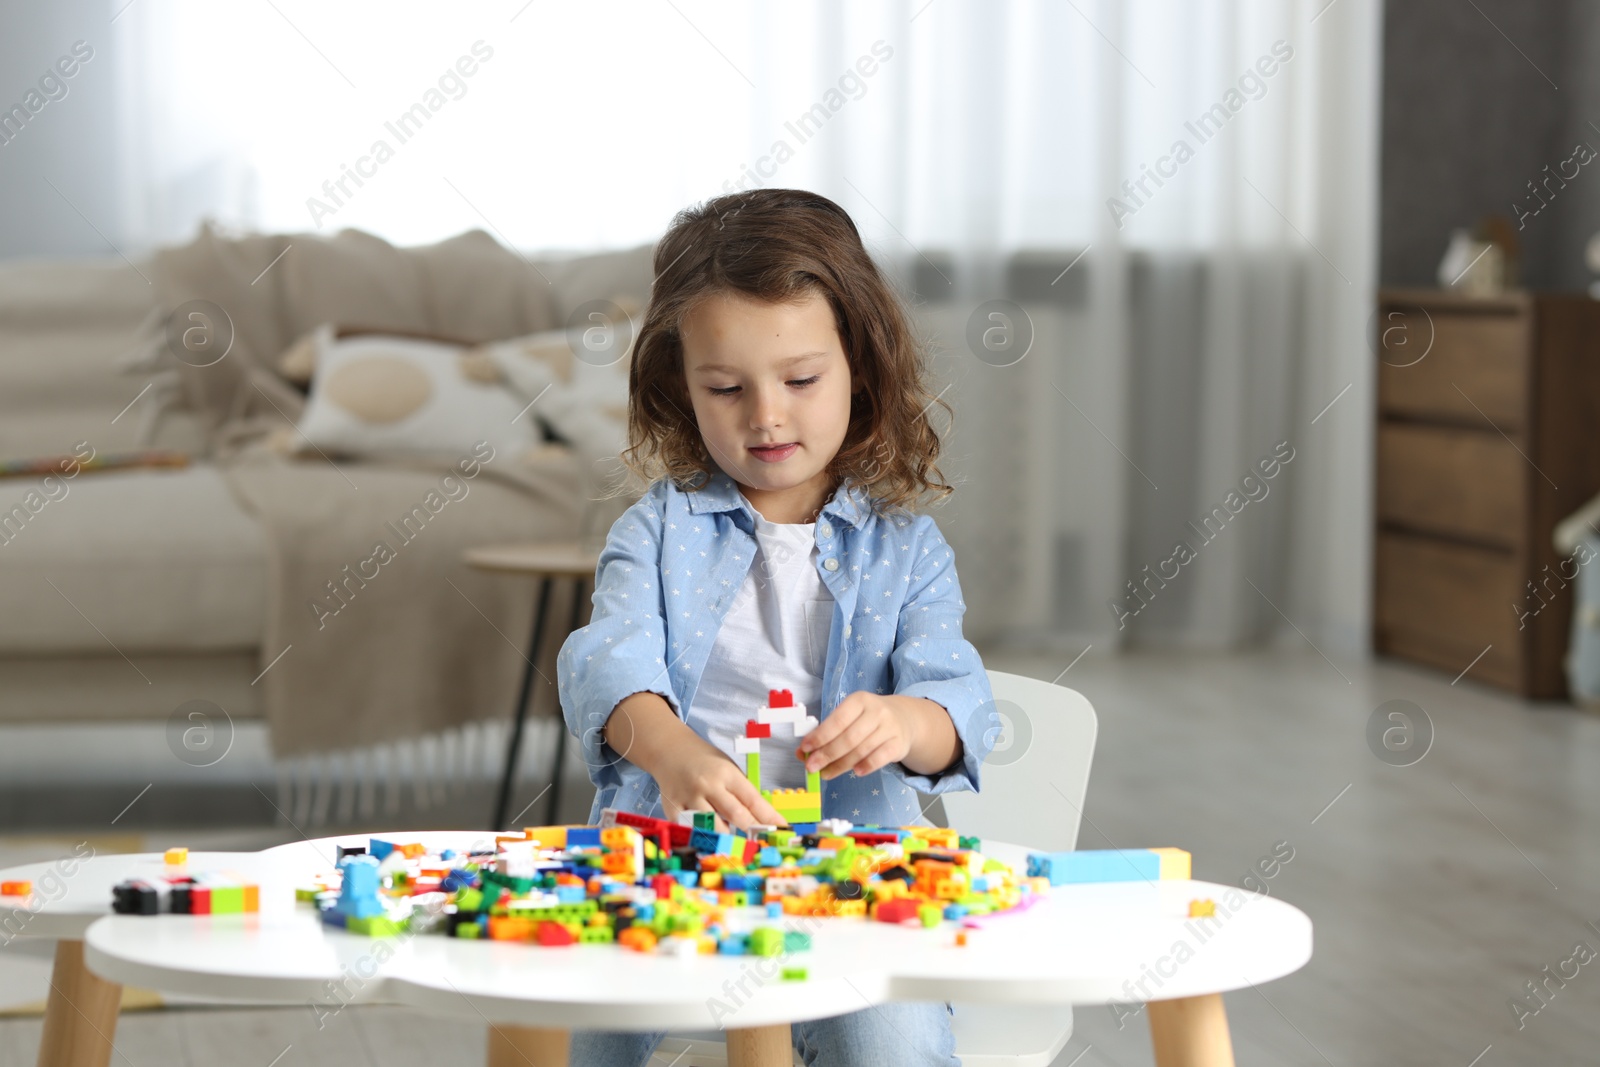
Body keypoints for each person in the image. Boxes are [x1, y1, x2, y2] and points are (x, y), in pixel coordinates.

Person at [557, 187, 994, 1067]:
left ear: (859, 368)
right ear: (681, 389)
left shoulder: (906, 549)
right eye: (726, 387)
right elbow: (608, 664)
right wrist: (676, 753)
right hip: (668, 860)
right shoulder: (657, 529)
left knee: (897, 1042)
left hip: (855, 872)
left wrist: (905, 722)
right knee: (594, 1036)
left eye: (800, 380)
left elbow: (957, 703)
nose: (765, 415)